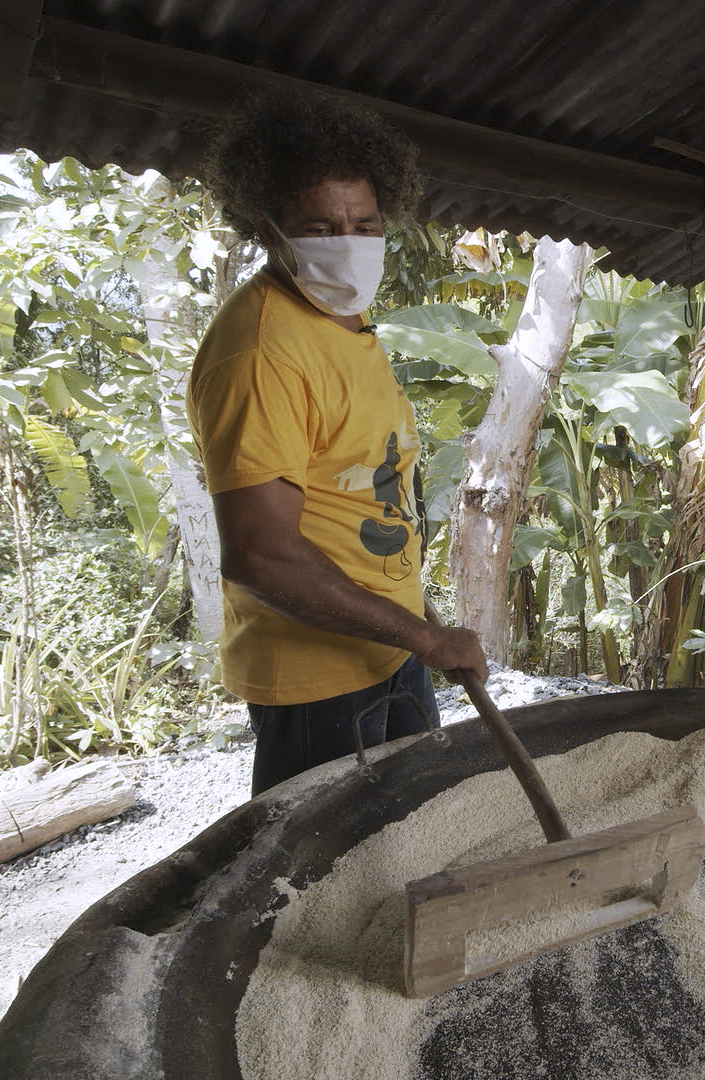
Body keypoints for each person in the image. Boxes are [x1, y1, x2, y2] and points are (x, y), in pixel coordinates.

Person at [189, 93, 487, 795]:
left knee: (410, 835)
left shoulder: (345, 319)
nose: (348, 242)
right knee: (320, 879)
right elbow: (261, 554)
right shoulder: (262, 348)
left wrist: (414, 629)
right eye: (320, 227)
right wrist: (427, 639)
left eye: (364, 223)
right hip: (316, 680)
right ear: (268, 230)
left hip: (387, 643)